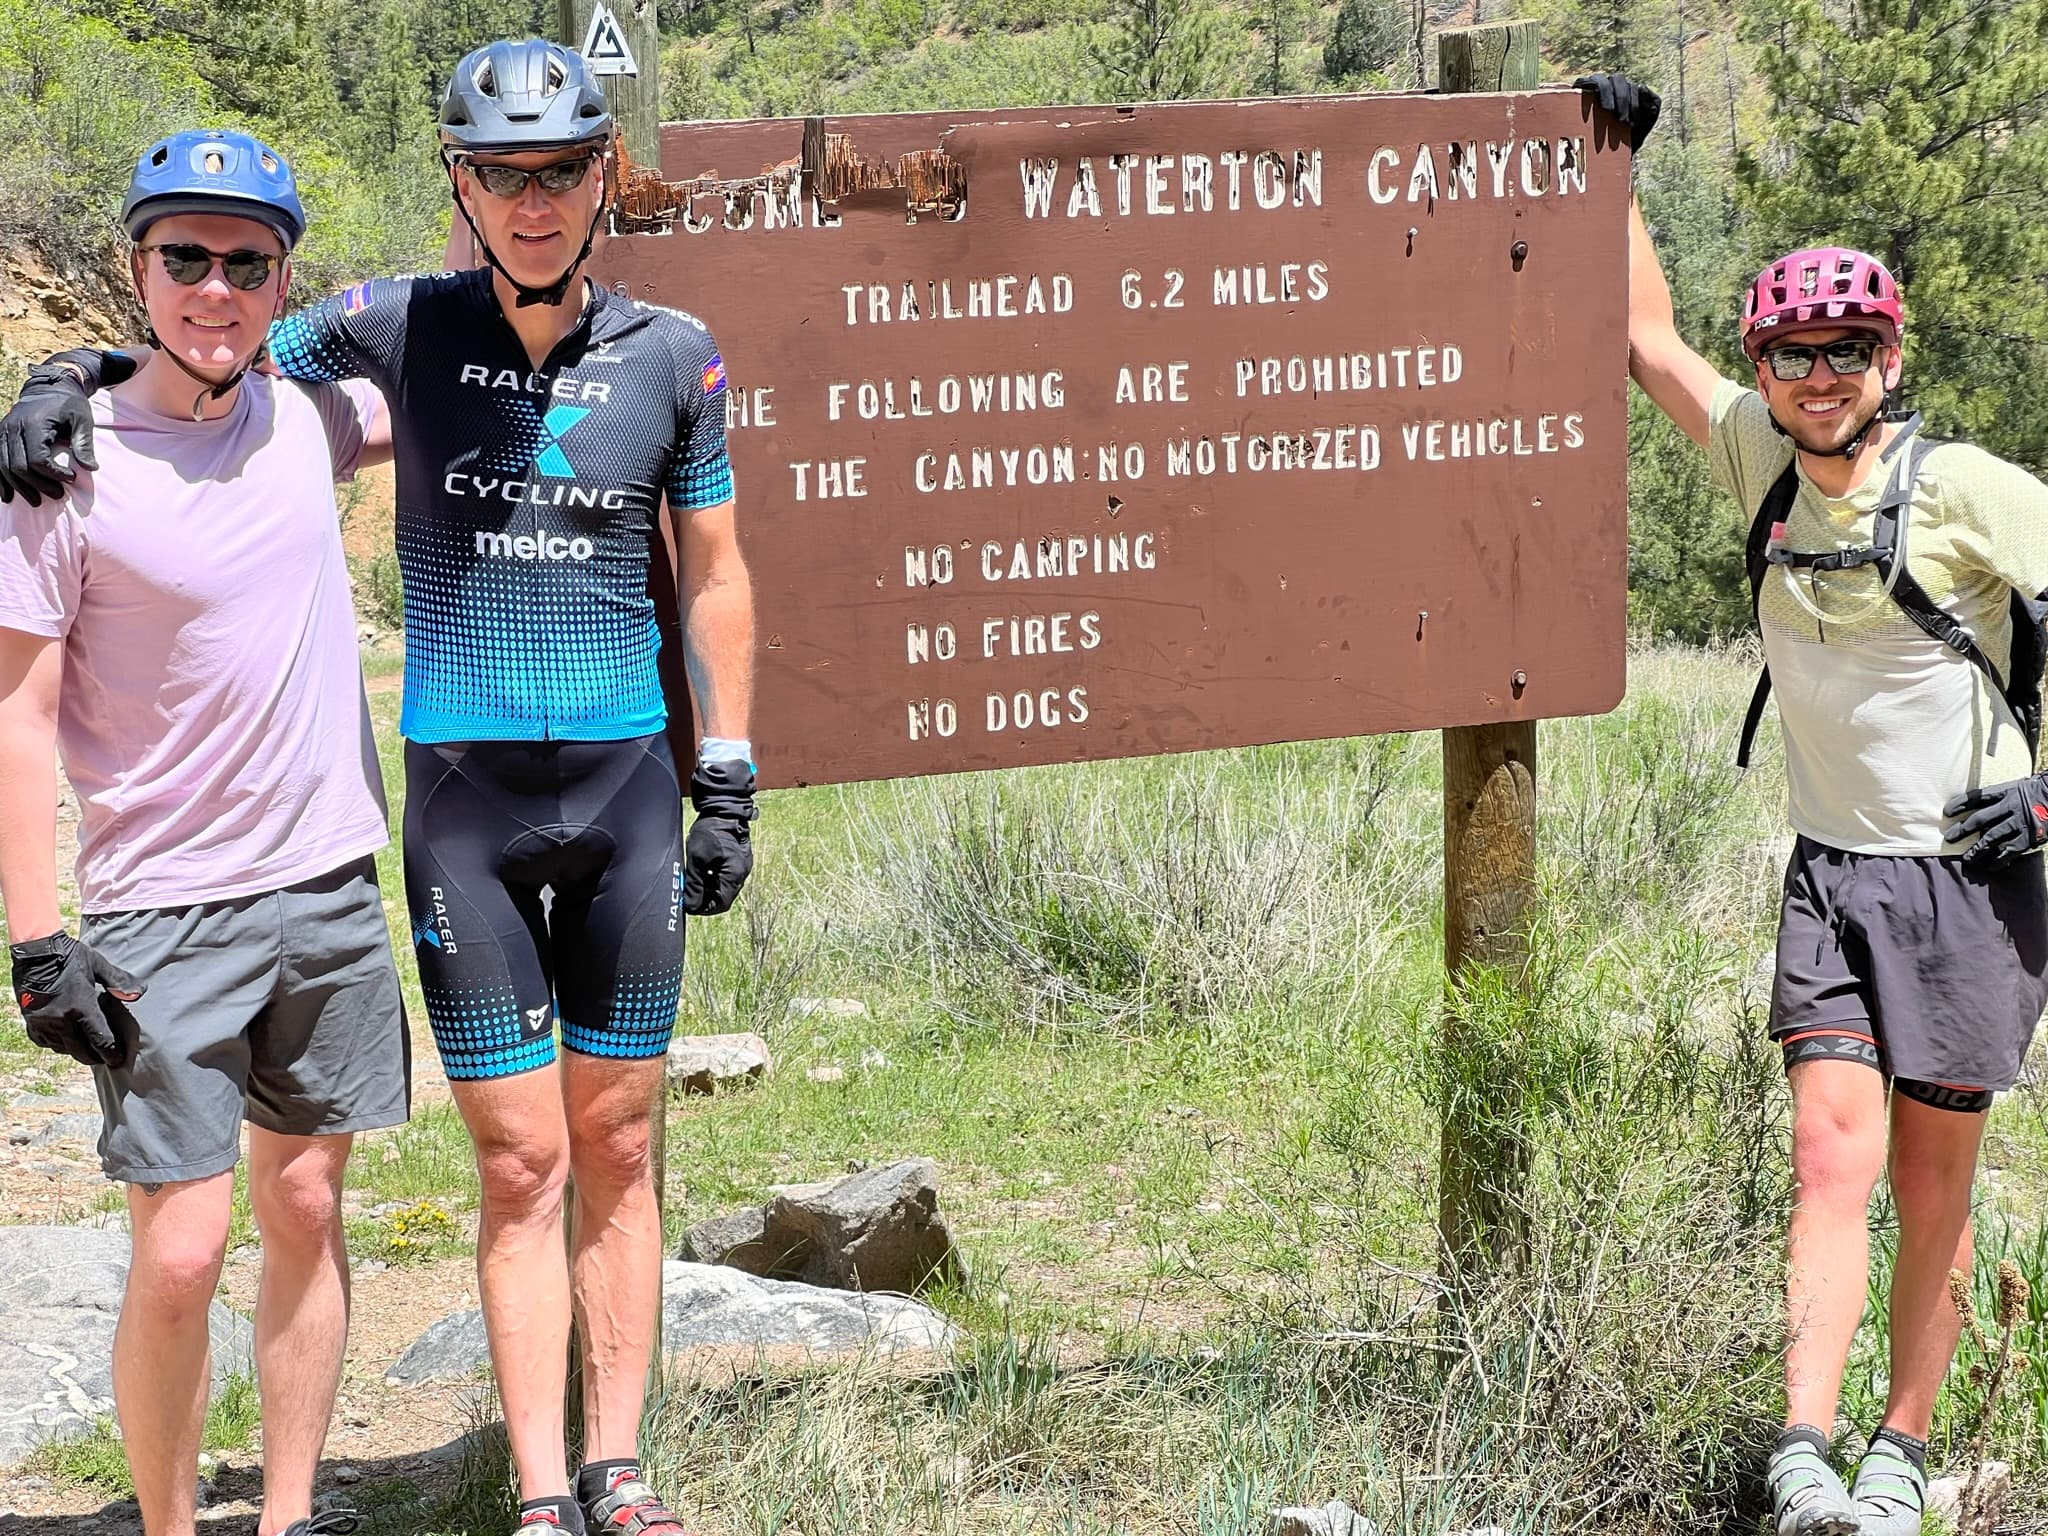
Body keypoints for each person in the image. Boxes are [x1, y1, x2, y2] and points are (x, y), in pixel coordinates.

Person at [0, 39, 756, 1536]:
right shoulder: (396, 329)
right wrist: (63, 371)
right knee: (517, 1158)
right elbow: (206, 360)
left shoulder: (675, 355)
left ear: (603, 175)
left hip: (614, 794)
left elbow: (718, 570)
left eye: (560, 170)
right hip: (455, 806)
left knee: (612, 1140)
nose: (532, 201)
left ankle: (612, 1469)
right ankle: (533, 1491)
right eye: (500, 173)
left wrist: (724, 770)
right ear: (459, 185)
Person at [1582, 72, 2048, 1536]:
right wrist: (1612, 158)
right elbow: (1642, 340)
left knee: (1933, 1184)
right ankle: (1804, 1453)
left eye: (1850, 348)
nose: (1821, 372)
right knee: (1829, 1159)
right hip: (1832, 876)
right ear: (1767, 367)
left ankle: (1900, 1453)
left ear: (1891, 359)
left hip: (1974, 886)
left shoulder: (1967, 487)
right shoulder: (1760, 461)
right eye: (1795, 351)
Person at [0, 129, 406, 1536]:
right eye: (184, 257)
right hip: (160, 910)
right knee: (180, 1252)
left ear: (283, 281)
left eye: (246, 262)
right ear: (138, 269)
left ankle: (288, 1515)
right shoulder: (61, 466)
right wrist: (37, 939)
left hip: (326, 886)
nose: (214, 289)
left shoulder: (312, 422)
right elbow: (17, 714)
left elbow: (475, 343)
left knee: (309, 1206)